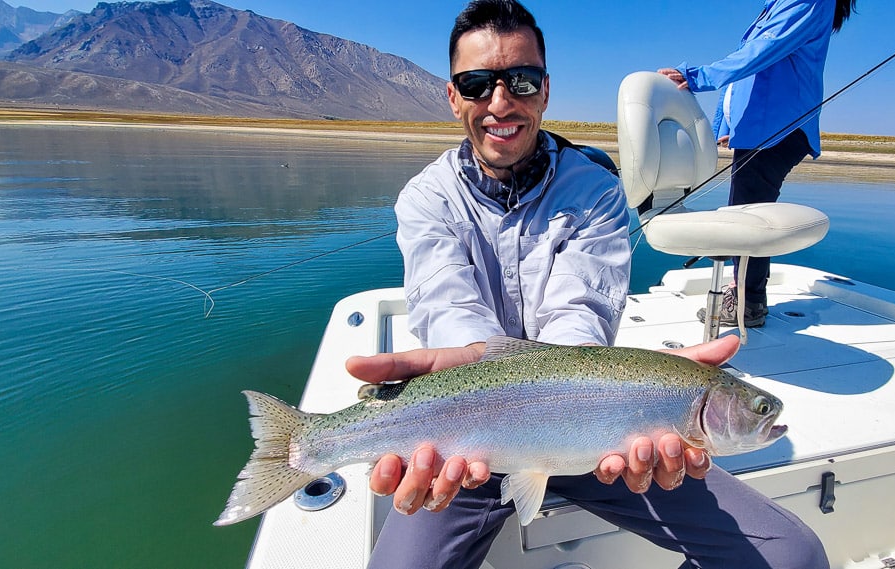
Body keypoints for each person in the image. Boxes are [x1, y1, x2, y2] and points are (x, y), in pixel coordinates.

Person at [346, 1, 828, 568]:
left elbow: (580, 314)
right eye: (478, 84)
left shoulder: (597, 192)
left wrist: (623, 392)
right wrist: (481, 366)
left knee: (791, 557)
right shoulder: (425, 198)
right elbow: (447, 303)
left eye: (521, 82)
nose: (501, 102)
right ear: (454, 98)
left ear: (545, 91)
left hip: (597, 435)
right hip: (465, 444)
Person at [659, 0, 856, 328]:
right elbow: (748, 67)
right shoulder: (779, 4)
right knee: (745, 211)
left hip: (779, 129)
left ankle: (748, 306)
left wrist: (697, 76)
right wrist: (727, 125)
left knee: (748, 217)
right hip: (761, 129)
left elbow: (764, 50)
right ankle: (745, 295)